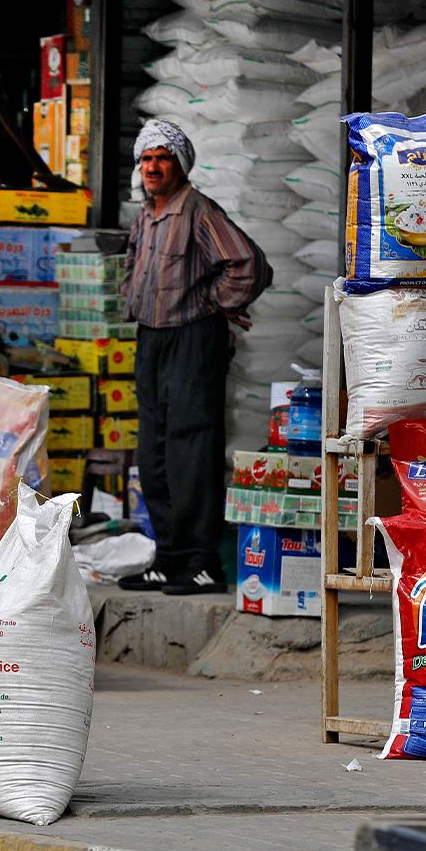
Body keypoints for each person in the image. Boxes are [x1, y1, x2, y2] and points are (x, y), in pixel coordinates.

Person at [118, 119, 272, 596]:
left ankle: (202, 562)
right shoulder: (146, 215)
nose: (153, 167)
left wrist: (213, 304)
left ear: (180, 165)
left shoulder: (197, 210)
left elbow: (248, 263)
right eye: (147, 159)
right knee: (155, 450)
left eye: (162, 158)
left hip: (191, 339)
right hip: (153, 339)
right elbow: (131, 266)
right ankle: (168, 557)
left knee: (192, 448)